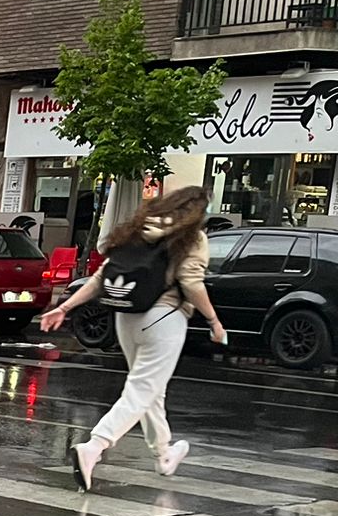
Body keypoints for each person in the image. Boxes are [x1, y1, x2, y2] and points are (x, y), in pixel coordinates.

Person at [37, 184, 224, 489]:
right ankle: (94, 446)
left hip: (126, 316)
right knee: (142, 389)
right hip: (164, 318)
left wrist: (65, 307)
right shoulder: (190, 238)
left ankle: (164, 453)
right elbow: (191, 282)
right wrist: (214, 321)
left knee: (151, 389)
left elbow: (102, 277)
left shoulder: (138, 229)